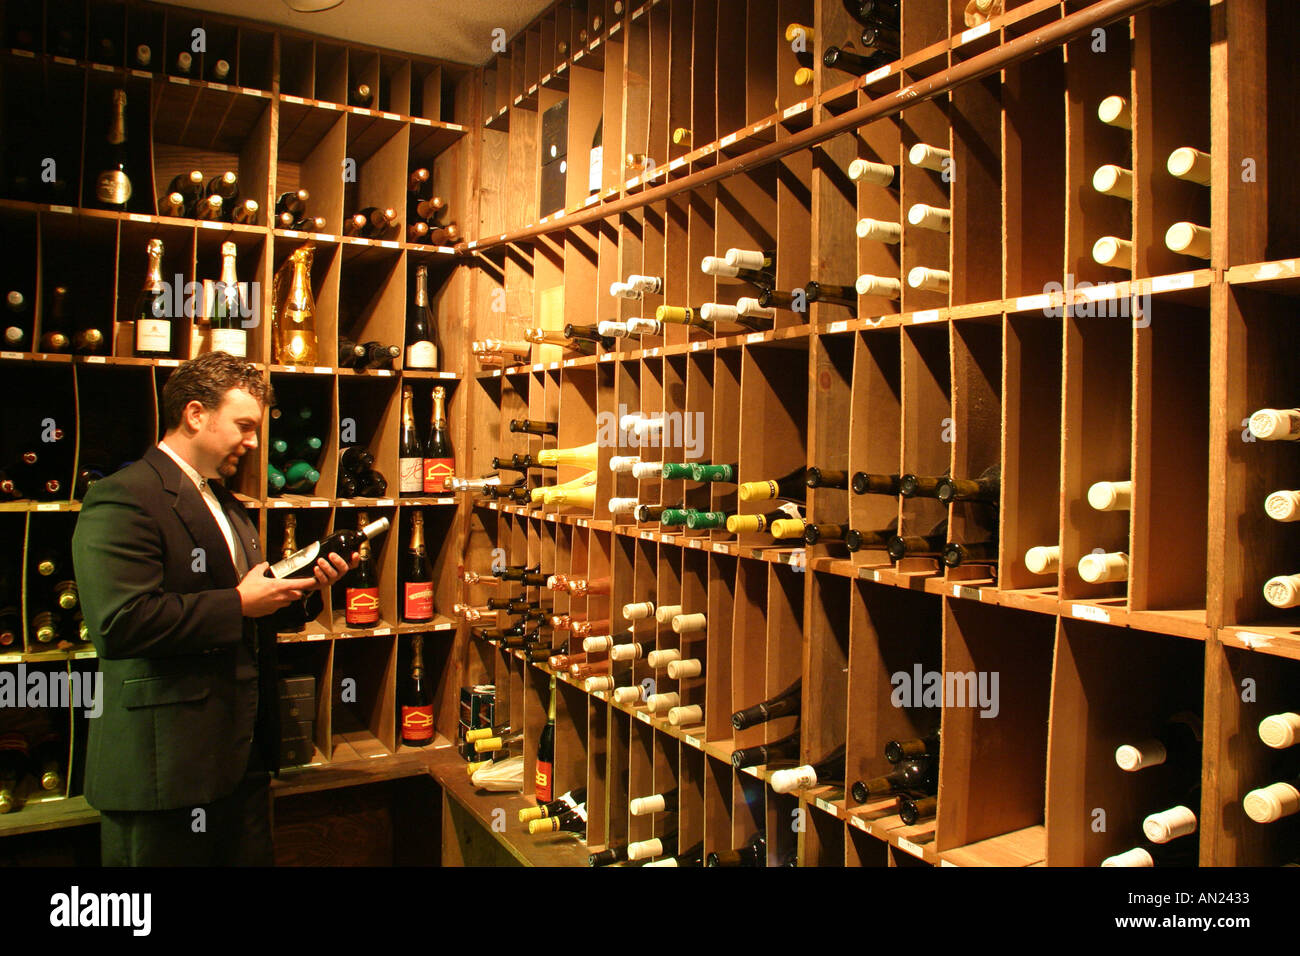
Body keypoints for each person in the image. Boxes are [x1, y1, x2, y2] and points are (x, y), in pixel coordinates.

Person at [71, 351, 357, 865]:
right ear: (195, 414)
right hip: (165, 772)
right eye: (244, 426)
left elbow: (249, 611)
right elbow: (121, 623)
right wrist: (240, 603)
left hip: (241, 762)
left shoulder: (228, 504)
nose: (254, 443)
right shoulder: (124, 497)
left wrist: (303, 590)